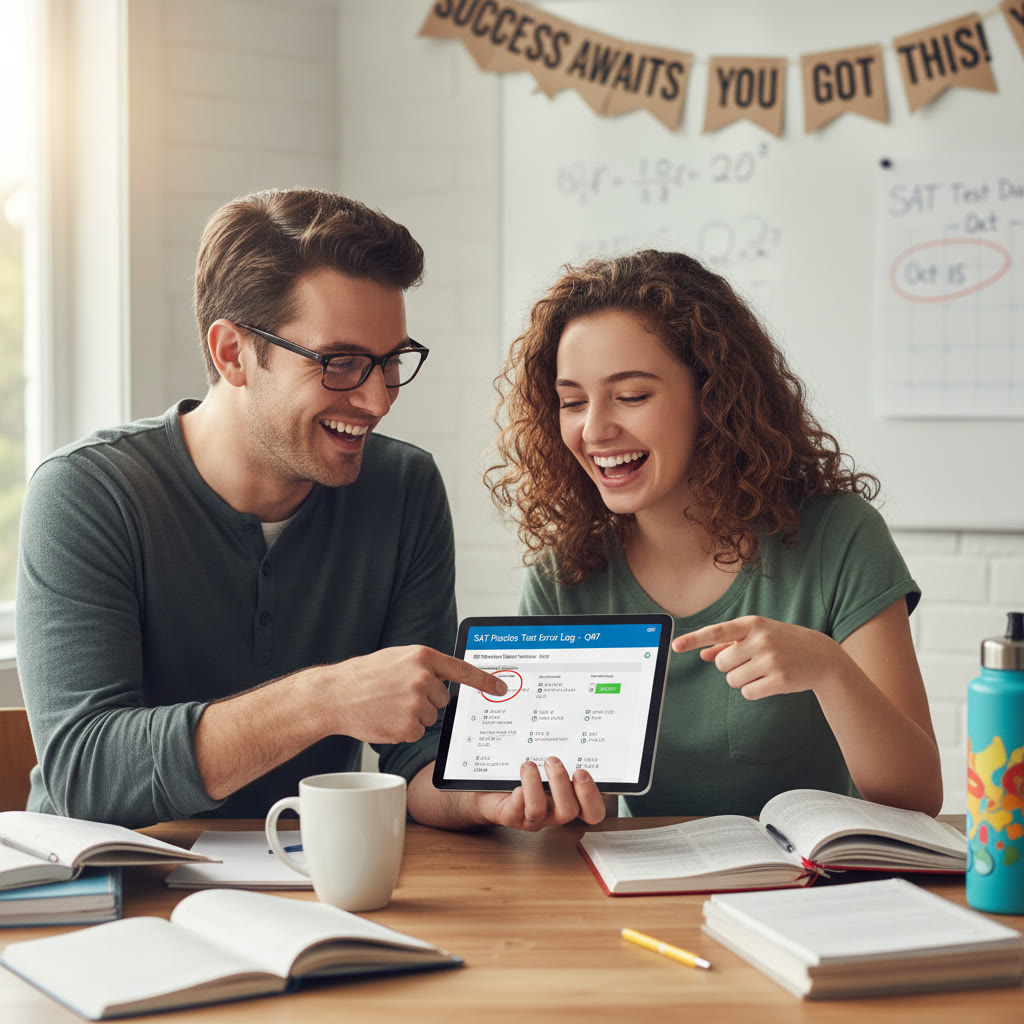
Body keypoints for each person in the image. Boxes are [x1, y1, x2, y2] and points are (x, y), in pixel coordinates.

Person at [16, 188, 603, 832]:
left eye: (390, 362)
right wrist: (322, 699)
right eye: (341, 362)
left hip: (313, 874)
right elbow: (85, 774)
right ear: (233, 353)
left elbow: (418, 753)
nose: (378, 400)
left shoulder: (403, 487)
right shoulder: (86, 493)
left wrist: (478, 796)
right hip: (114, 892)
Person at [488, 249, 942, 819]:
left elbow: (919, 796)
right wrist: (546, 803)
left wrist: (830, 670)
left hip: (816, 889)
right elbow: (576, 823)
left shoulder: (839, 536)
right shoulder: (567, 575)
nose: (595, 429)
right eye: (572, 402)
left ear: (714, 397)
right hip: (647, 894)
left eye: (631, 396)